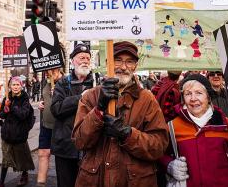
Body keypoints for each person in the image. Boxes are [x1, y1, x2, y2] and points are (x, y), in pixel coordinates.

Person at [72, 41, 169, 186]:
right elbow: (80, 141)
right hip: (95, 179)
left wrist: (128, 134)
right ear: (107, 63)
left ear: (135, 66)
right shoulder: (90, 96)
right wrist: (98, 109)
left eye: (129, 62)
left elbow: (159, 146)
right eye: (117, 60)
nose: (123, 67)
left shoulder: (147, 99)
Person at [160, 73, 228, 186]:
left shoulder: (225, 124)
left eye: (199, 93)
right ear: (183, 98)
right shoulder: (173, 126)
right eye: (188, 94)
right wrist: (169, 165)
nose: (193, 98)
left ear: (208, 97)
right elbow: (160, 155)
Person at [51, 44, 94, 187]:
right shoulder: (62, 84)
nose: (85, 61)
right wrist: (80, 98)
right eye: (81, 57)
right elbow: (56, 109)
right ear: (72, 61)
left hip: (90, 148)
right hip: (65, 146)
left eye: (88, 58)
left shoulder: (96, 83)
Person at [0, 76, 35, 187]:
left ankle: (24, 174)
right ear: (10, 86)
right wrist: (5, 108)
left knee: (21, 158)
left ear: (21, 86)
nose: (15, 87)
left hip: (19, 133)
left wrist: (12, 107)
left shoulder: (25, 98)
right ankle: (1, 182)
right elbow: (1, 115)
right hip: (7, 133)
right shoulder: (7, 97)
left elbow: (23, 115)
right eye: (13, 85)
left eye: (17, 85)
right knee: (5, 159)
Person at [36, 68, 63, 186]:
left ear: (58, 69)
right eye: (46, 72)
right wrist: (40, 103)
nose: (48, 74)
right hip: (45, 124)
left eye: (50, 71)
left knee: (62, 158)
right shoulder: (46, 82)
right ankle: (40, 184)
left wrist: (58, 94)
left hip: (61, 126)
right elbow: (44, 98)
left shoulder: (67, 82)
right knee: (43, 153)